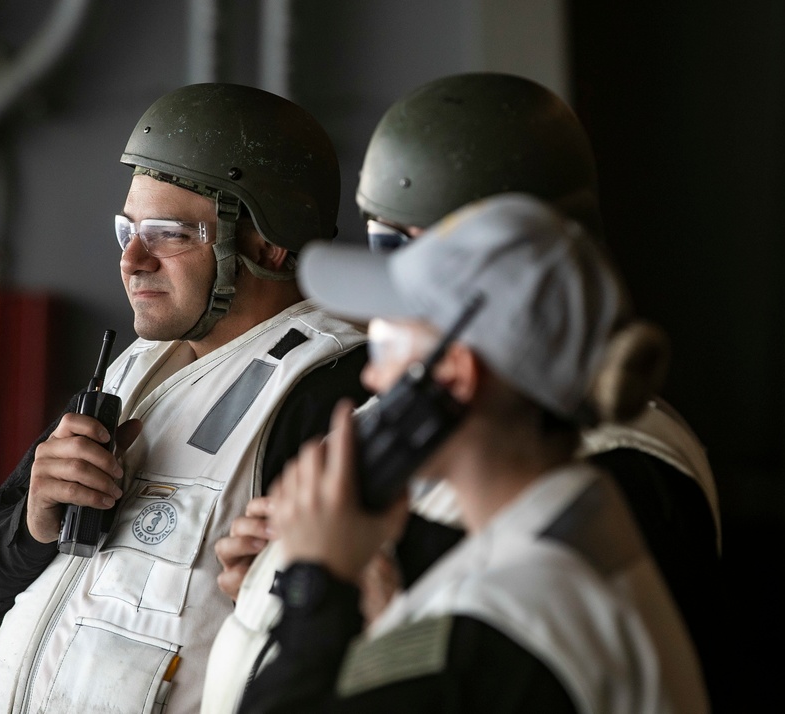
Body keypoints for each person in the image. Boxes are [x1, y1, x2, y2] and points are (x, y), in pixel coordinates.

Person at [206, 72, 721, 712]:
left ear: (454, 373)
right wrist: (364, 589)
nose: (370, 376)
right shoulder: (576, 524)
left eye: (390, 341)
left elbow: (475, 654)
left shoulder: (498, 625)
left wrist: (319, 583)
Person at [0, 83, 370, 714]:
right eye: (127, 229)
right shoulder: (132, 371)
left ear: (268, 243)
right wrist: (34, 521)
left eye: (168, 233)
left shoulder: (330, 393)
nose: (131, 259)